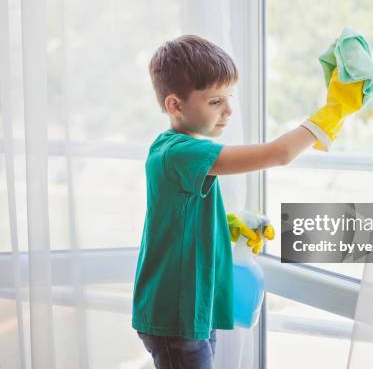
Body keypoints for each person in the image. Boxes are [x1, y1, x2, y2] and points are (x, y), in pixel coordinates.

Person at [132, 34, 350, 368]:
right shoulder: (180, 152)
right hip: (176, 316)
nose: (229, 110)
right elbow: (277, 154)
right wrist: (333, 111)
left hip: (189, 308)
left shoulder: (174, 148)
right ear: (175, 105)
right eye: (216, 101)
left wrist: (223, 228)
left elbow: (178, 215)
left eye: (229, 97)